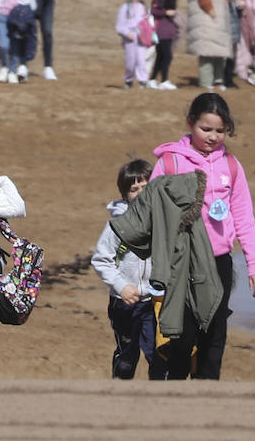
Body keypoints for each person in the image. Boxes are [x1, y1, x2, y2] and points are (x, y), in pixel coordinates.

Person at [145, 92, 255, 380]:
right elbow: (152, 213)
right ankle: (176, 386)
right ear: (190, 123)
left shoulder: (232, 166)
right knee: (183, 335)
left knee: (214, 335)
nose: (213, 137)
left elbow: (245, 219)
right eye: (206, 129)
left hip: (219, 261)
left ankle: (208, 394)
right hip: (181, 262)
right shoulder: (170, 162)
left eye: (220, 131)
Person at [90, 159, 156, 380]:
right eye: (133, 189)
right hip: (123, 301)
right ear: (125, 194)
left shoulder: (164, 222)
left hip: (153, 301)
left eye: (145, 187)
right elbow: (101, 260)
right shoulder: (116, 225)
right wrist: (121, 286)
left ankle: (162, 398)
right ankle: (118, 393)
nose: (139, 193)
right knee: (127, 356)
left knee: (157, 354)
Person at [185, 0, 232, 90]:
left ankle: (218, 80)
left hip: (213, 19)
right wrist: (211, 11)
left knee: (218, 51)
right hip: (207, 19)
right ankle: (206, 82)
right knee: (207, 52)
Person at [116, 0, 155, 89]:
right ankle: (128, 80)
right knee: (131, 61)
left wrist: (149, 34)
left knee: (141, 60)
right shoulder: (125, 8)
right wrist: (127, 33)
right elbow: (119, 26)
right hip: (130, 40)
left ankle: (143, 81)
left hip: (142, 39)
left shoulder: (144, 8)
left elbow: (149, 23)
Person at [150, 0, 181, 90]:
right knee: (167, 56)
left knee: (161, 56)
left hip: (167, 30)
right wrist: (166, 12)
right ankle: (164, 80)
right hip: (162, 31)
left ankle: (152, 79)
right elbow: (153, 11)